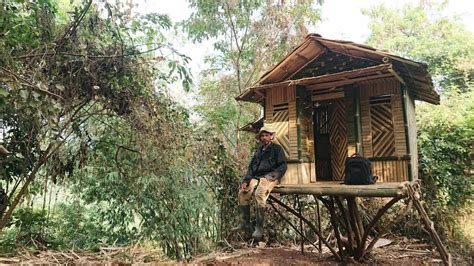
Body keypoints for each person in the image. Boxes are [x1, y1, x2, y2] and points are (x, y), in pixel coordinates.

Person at [233, 126, 287, 241]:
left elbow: (283, 166)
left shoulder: (277, 149)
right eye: (262, 136)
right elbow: (251, 168)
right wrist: (246, 181)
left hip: (270, 177)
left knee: (259, 193)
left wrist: (270, 177)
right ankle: (244, 223)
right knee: (242, 194)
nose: (264, 138)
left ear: (271, 137)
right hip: (256, 177)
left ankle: (259, 228)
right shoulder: (259, 151)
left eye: (266, 135)